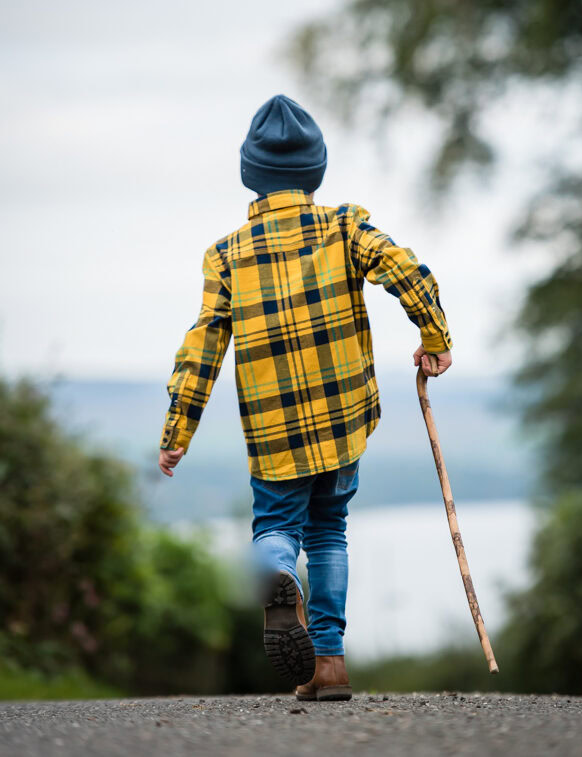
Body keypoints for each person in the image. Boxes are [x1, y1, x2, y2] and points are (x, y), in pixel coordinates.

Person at [158, 94, 452, 701]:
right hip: (342, 422)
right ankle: (331, 665)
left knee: (277, 528)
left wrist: (177, 432)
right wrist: (434, 336)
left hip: (274, 435)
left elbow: (203, 347)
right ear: (314, 172)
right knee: (329, 530)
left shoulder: (227, 255)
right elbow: (405, 268)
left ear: (251, 177)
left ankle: (273, 572)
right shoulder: (345, 226)